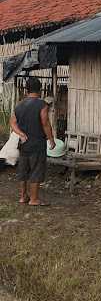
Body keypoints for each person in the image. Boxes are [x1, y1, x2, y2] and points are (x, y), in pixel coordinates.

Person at [9, 77, 56, 206]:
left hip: (23, 143)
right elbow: (45, 123)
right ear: (40, 89)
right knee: (36, 170)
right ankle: (34, 200)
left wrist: (21, 133)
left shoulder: (19, 105)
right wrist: (51, 139)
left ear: (27, 90)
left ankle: (23, 197)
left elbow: (12, 123)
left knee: (23, 170)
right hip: (37, 144)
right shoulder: (42, 105)